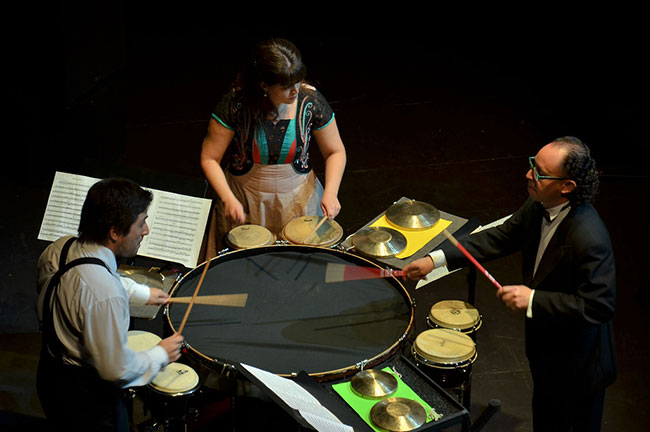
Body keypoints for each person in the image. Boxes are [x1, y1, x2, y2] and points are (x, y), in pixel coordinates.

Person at [403, 137, 616, 431]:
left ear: (567, 186)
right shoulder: (540, 203)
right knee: (545, 419)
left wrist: (533, 300)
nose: (529, 175)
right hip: (547, 351)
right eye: (533, 165)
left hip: (578, 368)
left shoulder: (589, 238)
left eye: (540, 173)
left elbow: (598, 306)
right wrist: (436, 260)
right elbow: (501, 237)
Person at [36, 178, 184, 432]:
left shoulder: (60, 248)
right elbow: (115, 368)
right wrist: (161, 353)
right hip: (85, 400)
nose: (145, 231)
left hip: (49, 374)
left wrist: (140, 293)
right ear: (115, 232)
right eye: (141, 223)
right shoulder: (106, 293)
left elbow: (80, 283)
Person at [201, 38, 346, 255]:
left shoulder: (310, 101)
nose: (295, 90)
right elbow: (209, 158)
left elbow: (335, 151)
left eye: (297, 82)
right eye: (286, 86)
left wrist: (332, 193)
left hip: (299, 198)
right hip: (246, 198)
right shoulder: (235, 105)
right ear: (264, 86)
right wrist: (228, 199)